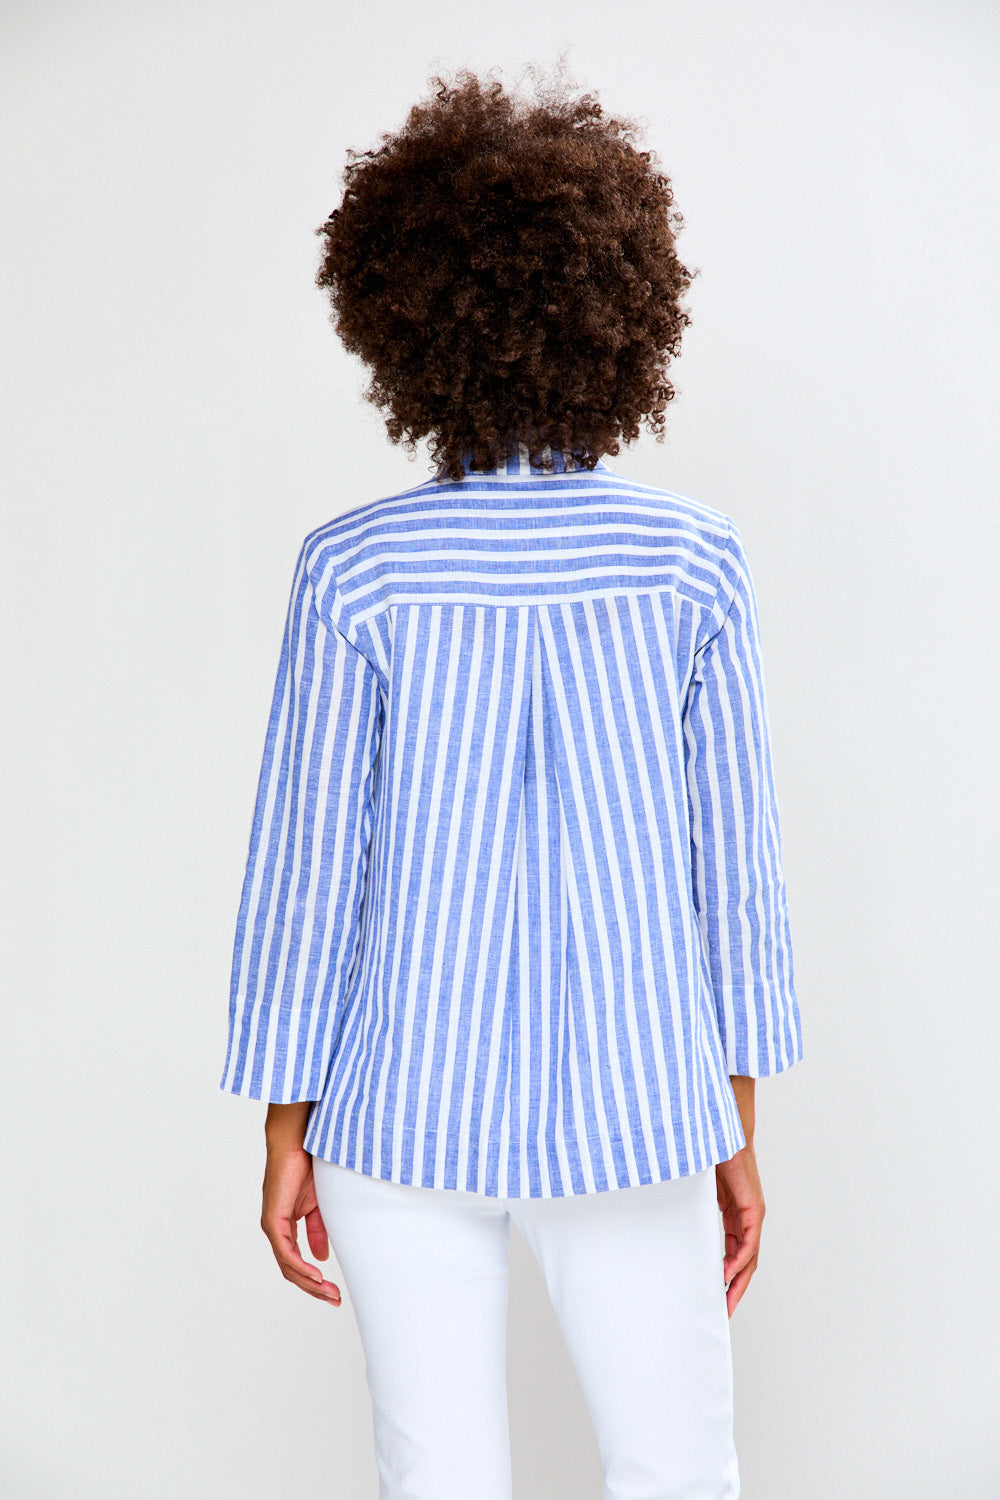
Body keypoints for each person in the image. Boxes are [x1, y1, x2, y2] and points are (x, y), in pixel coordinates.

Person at [219, 63, 803, 1500]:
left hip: (396, 1109)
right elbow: (733, 877)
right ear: (625, 312)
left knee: (439, 1480)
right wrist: (733, 1129)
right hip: (644, 1104)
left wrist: (285, 1130)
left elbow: (307, 879)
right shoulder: (691, 562)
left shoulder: (352, 569)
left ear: (402, 319)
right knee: (678, 1470)